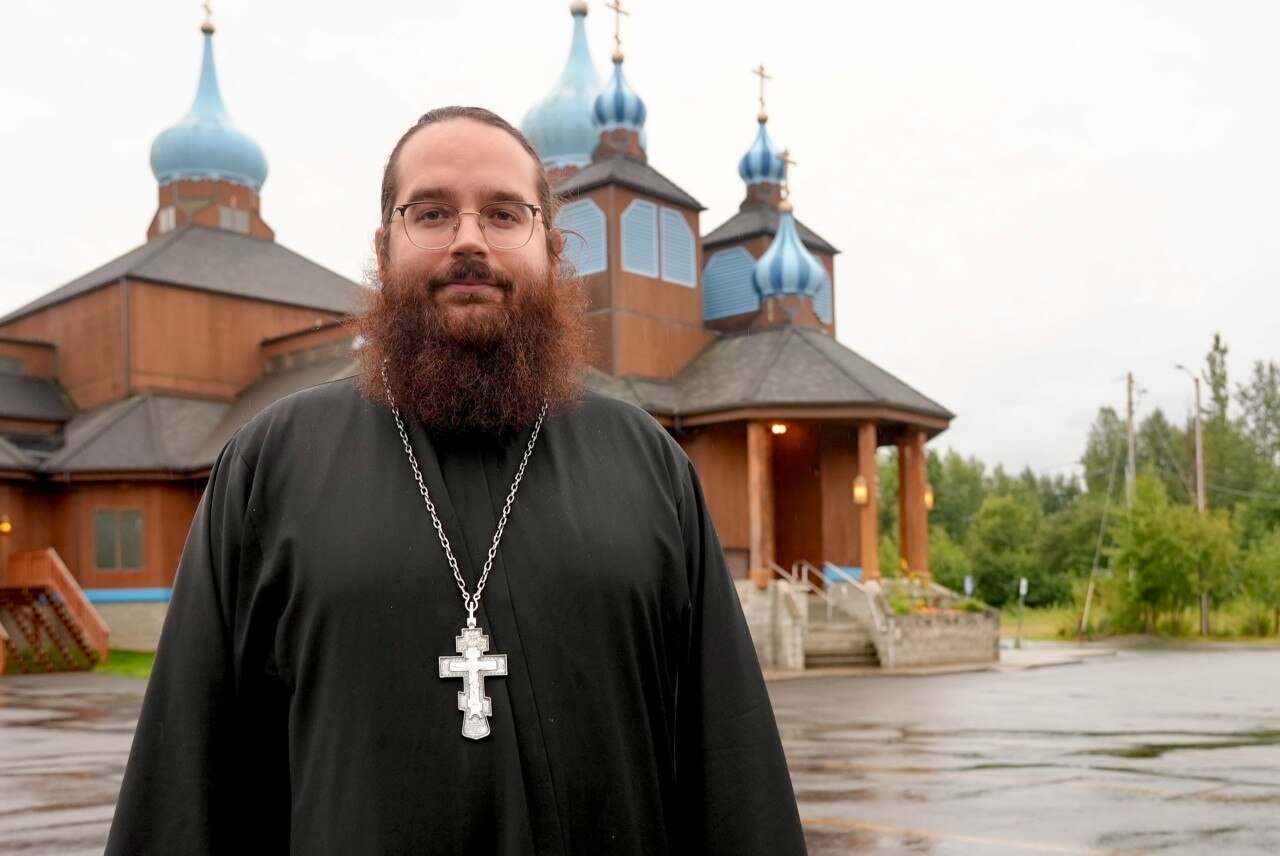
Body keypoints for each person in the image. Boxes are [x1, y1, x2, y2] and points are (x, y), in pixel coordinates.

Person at [105, 105, 807, 855]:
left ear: (553, 250)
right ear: (383, 247)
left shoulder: (647, 463)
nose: (469, 239)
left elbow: (729, 766)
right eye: (432, 212)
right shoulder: (272, 464)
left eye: (505, 213)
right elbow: (190, 774)